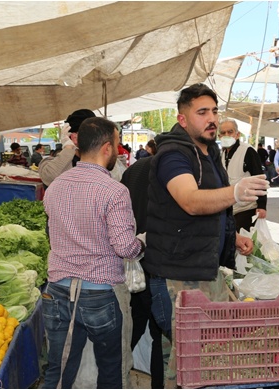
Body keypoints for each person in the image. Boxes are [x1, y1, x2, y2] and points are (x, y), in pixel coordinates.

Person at [143, 83, 268, 387]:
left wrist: (232, 234)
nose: (211, 118)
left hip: (204, 270)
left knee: (195, 361)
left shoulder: (210, 151)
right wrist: (236, 192)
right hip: (177, 277)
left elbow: (211, 207)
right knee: (189, 365)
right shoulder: (173, 155)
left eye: (214, 111)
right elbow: (190, 200)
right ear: (182, 119)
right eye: (202, 112)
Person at [42, 117, 145, 388]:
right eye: (118, 143)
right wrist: (142, 243)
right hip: (99, 293)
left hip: (57, 291)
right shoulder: (114, 191)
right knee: (111, 370)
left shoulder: (55, 187)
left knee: (59, 368)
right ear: (107, 148)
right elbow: (125, 247)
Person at [120, 152, 170, 389]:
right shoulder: (175, 171)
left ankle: (115, 376)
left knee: (137, 322)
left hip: (137, 258)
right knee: (160, 333)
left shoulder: (134, 169)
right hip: (162, 261)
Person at [219, 118, 268, 231]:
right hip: (230, 209)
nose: (226, 135)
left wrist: (262, 206)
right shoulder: (222, 154)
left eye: (230, 132)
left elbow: (259, 178)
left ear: (237, 134)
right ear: (219, 136)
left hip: (247, 209)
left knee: (246, 244)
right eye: (223, 133)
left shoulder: (248, 151)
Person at [39, 109, 96, 187]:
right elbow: (49, 177)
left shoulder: (99, 158)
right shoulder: (55, 162)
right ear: (74, 137)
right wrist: (68, 148)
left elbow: (115, 174)